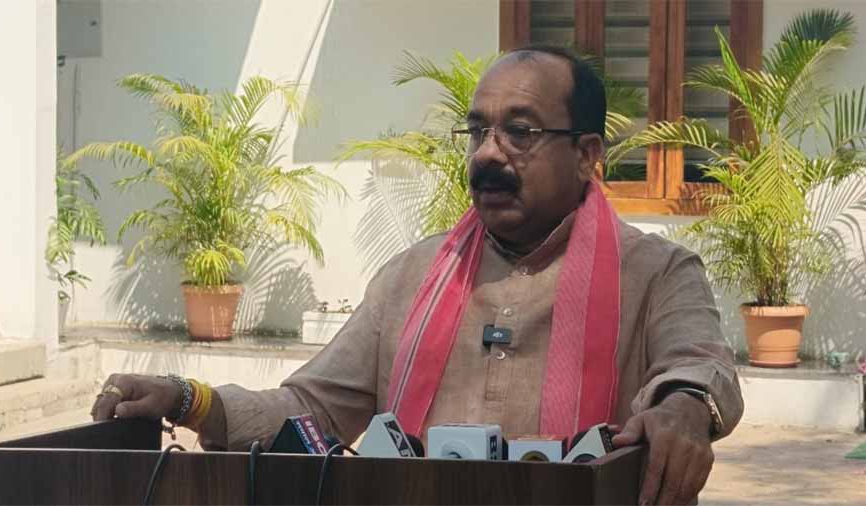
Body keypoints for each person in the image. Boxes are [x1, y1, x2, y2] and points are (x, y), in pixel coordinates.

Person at [92, 46, 743, 506]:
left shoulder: (656, 273)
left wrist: (683, 408)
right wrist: (186, 398)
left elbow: (699, 367)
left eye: (520, 132)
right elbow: (311, 411)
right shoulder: (413, 276)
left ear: (586, 155)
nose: (488, 154)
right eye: (478, 131)